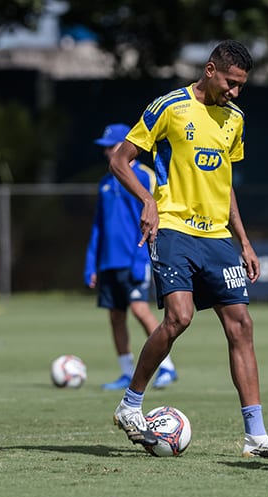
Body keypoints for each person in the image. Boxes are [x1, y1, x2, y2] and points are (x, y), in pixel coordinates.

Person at [107, 40, 268, 459]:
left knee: (242, 325)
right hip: (173, 228)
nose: (235, 92)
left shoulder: (235, 118)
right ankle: (131, 404)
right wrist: (148, 200)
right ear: (211, 70)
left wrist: (244, 241)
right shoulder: (168, 107)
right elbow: (121, 160)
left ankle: (256, 437)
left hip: (217, 238)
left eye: (241, 86)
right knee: (180, 317)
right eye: (231, 83)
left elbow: (225, 181)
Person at [84, 123, 178, 390]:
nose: (107, 153)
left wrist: (143, 259)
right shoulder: (105, 182)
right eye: (105, 149)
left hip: (134, 258)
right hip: (108, 261)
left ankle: (167, 367)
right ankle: (126, 372)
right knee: (115, 316)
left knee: (140, 310)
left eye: (111, 147)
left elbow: (154, 220)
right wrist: (91, 263)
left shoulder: (145, 177)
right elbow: (98, 226)